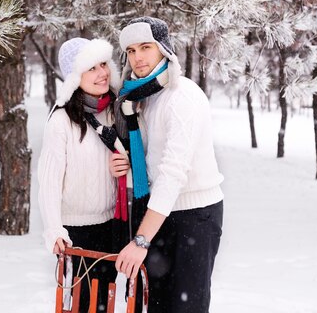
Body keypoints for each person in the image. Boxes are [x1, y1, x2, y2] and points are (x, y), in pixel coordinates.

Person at [111, 17, 224, 313]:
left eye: (146, 47)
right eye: (132, 50)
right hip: (160, 213)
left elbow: (174, 172)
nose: (138, 57)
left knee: (186, 307)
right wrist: (131, 165)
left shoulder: (181, 96)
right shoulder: (142, 98)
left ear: (164, 50)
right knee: (157, 306)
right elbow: (154, 159)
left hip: (193, 216)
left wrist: (141, 240)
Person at [37, 37, 122, 313]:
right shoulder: (62, 120)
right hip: (76, 233)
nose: (102, 73)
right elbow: (49, 181)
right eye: (91, 68)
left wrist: (121, 166)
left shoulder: (115, 110)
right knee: (81, 306)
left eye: (103, 64)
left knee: (104, 304)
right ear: (75, 77)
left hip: (111, 226)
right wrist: (54, 230)